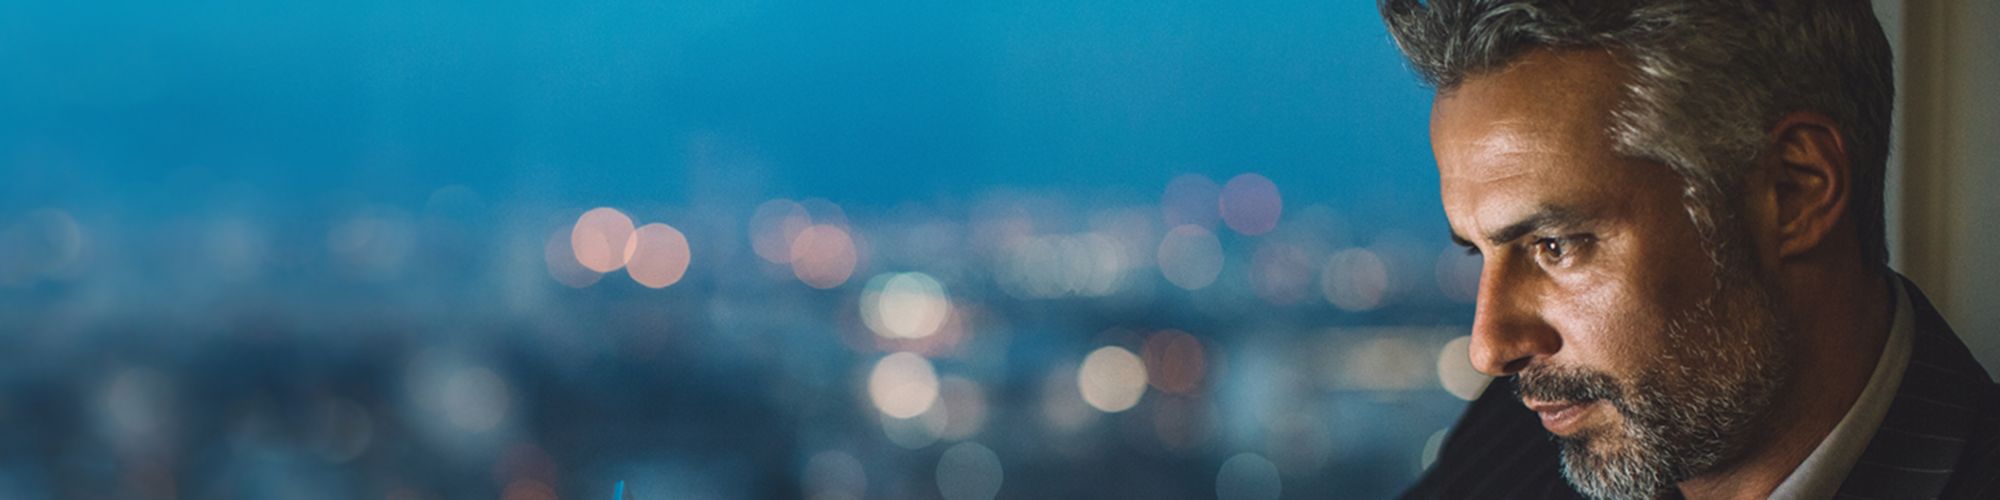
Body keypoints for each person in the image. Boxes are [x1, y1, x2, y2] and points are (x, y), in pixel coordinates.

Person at [1382, 1, 2000, 499]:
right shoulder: (1522, 437)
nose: (1491, 348)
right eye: (1477, 252)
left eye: (1554, 245)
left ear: (1794, 192)